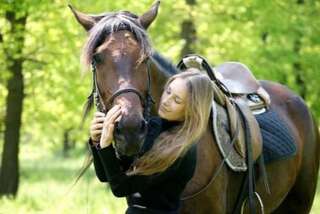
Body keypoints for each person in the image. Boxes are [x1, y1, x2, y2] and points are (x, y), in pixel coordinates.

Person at [88, 69, 214, 214]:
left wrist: (106, 145)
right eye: (168, 92)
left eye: (177, 100)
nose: (166, 101)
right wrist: (97, 141)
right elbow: (107, 176)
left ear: (192, 109)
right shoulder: (152, 126)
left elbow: (121, 188)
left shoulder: (182, 149)